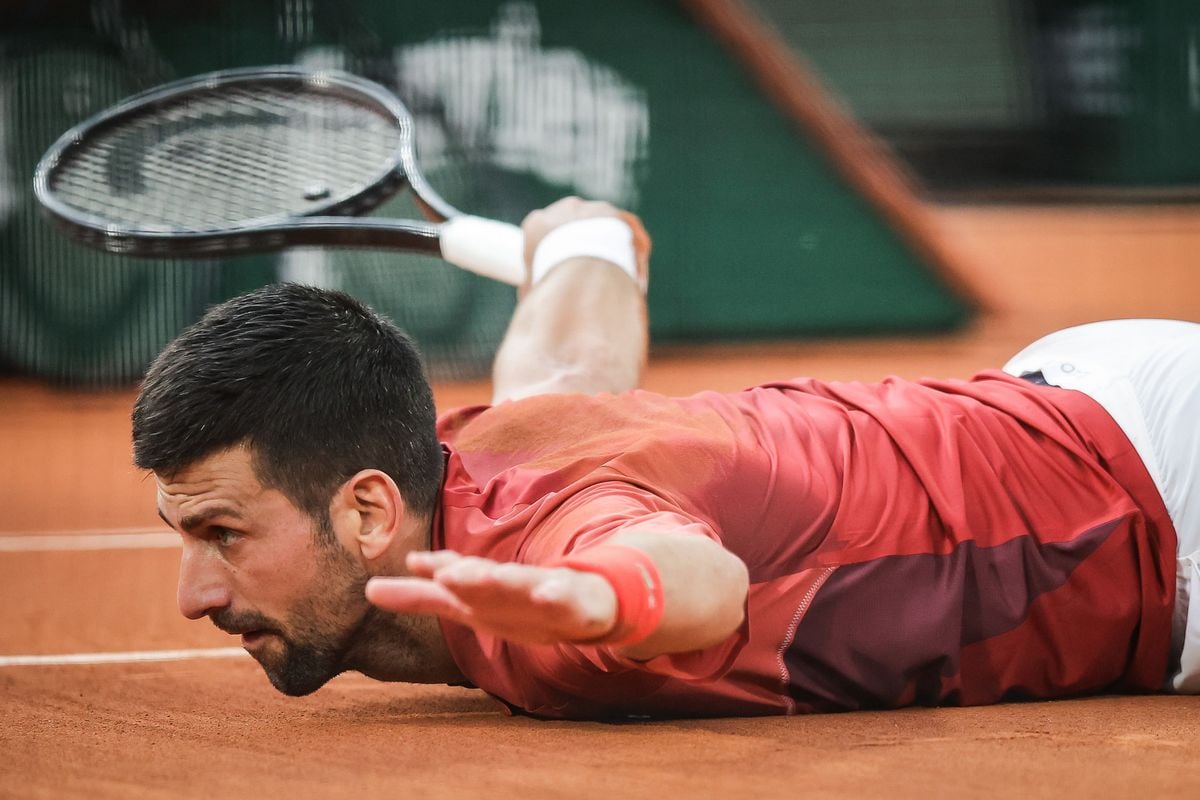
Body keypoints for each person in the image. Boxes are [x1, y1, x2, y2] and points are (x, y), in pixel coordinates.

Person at [134, 197, 1200, 719]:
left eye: (224, 531)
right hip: (1080, 407)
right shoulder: (488, 442)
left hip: (1164, 505)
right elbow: (570, 347)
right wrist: (585, 240)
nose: (193, 593)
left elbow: (703, 585)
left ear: (368, 511)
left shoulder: (561, 547)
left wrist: (601, 600)